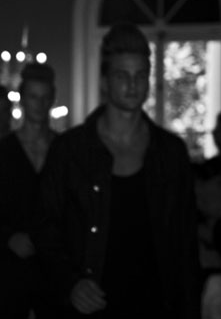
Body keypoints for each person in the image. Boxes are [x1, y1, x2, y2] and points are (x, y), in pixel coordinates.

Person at [35, 22, 200, 318]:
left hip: (155, 304)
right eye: (122, 75)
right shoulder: (70, 151)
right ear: (104, 82)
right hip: (91, 305)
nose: (132, 84)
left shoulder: (170, 153)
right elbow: (46, 229)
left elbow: (185, 245)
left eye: (140, 75)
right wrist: (70, 283)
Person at [0, 63, 58, 318]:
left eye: (45, 97)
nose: (39, 104)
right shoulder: (4, 151)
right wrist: (8, 238)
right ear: (22, 99)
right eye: (33, 97)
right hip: (9, 267)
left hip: (53, 266)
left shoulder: (64, 150)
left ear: (52, 99)